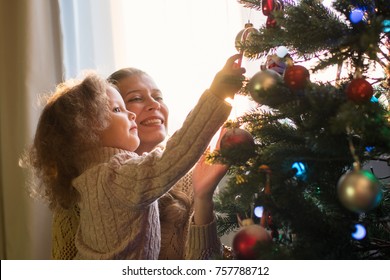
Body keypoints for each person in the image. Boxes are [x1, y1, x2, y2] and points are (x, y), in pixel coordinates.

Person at [23, 54, 245, 259]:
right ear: (87, 130)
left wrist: (202, 198)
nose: (154, 105)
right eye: (129, 102)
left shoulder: (93, 181)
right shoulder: (114, 178)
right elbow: (176, 153)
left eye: (158, 96)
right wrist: (216, 95)